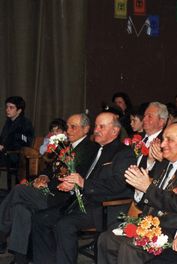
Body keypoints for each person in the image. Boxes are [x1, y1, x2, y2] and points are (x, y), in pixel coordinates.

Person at [97, 121, 177, 264]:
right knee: (106, 239)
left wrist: (147, 188)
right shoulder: (164, 163)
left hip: (173, 230)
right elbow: (146, 201)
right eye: (163, 139)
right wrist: (140, 190)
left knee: (131, 248)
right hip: (148, 225)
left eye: (169, 140)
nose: (163, 144)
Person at [31, 112, 135, 264]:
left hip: (104, 207)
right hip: (81, 202)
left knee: (64, 225)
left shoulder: (124, 153)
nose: (96, 130)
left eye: (101, 127)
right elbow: (84, 178)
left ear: (115, 131)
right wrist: (73, 185)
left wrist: (83, 184)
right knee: (40, 219)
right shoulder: (97, 150)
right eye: (96, 126)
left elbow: (118, 184)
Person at [0, 113, 98, 263]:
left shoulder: (91, 149)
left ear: (86, 129)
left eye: (73, 127)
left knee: (19, 190)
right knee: (21, 209)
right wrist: (44, 177)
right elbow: (51, 168)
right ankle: (20, 258)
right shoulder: (66, 147)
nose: (68, 131)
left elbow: (81, 176)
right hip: (49, 191)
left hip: (62, 198)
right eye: (67, 127)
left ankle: (1, 232)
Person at [0, 96, 34, 169]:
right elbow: (3, 138)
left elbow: (26, 142)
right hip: (5, 154)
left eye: (11, 107)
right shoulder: (8, 122)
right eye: (7, 107)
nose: (7, 110)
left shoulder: (25, 123)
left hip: (17, 157)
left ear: (19, 110)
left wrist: (5, 147)